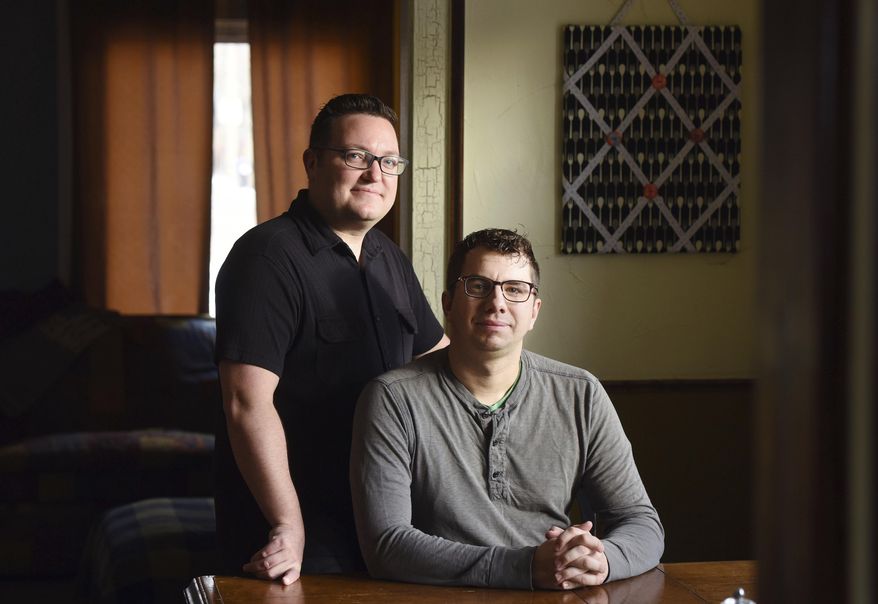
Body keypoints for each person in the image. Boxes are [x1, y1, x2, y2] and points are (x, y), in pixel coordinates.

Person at [213, 94, 449, 585]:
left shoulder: (389, 257)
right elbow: (245, 404)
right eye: (356, 157)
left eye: (388, 161)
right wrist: (287, 525)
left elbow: (441, 361)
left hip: (388, 518)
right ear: (313, 162)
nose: (375, 174)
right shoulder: (266, 258)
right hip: (300, 532)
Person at [350, 228, 663, 590]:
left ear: (534, 311)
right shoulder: (391, 399)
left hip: (556, 594)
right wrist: (526, 567)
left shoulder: (581, 395)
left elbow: (640, 522)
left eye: (515, 289)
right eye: (478, 286)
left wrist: (601, 560)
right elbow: (385, 545)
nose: (496, 302)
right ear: (448, 303)